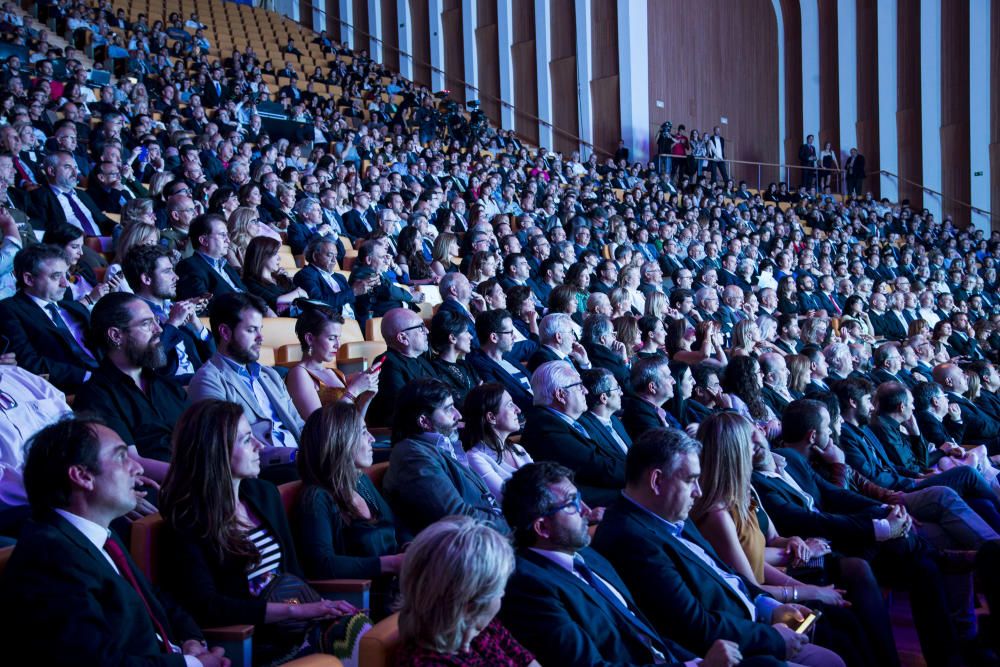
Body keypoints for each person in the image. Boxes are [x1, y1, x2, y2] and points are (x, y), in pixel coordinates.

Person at [592, 428, 845, 667]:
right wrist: (772, 636)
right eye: (691, 480)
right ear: (657, 481)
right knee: (833, 659)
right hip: (727, 647)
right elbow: (694, 626)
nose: (698, 492)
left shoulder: (668, 512)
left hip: (752, 618)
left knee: (839, 629)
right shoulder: (631, 538)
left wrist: (771, 607)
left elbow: (727, 575)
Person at [0, 416, 231, 666]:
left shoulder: (97, 535)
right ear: (82, 475)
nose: (138, 468)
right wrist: (193, 665)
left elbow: (152, 599)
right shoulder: (48, 558)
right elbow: (96, 662)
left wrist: (190, 639)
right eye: (121, 457)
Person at [159, 401, 367, 665]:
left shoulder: (264, 494)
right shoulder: (187, 521)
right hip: (256, 640)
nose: (260, 445)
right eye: (247, 440)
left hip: (296, 623)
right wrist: (296, 611)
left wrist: (315, 606)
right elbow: (207, 606)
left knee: (359, 628)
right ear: (215, 451)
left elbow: (293, 571)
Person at [500, 462, 763, 667]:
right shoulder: (529, 587)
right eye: (571, 505)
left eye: (580, 499)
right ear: (542, 527)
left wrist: (695, 660)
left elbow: (646, 632)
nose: (586, 511)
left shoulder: (588, 556)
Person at [692, 412, 895, 667]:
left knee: (849, 614)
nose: (758, 446)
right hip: (757, 607)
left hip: (774, 586)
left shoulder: (745, 491)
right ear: (736, 453)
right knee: (841, 631)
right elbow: (749, 585)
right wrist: (808, 591)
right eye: (751, 443)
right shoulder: (717, 515)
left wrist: (795, 544)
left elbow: (771, 541)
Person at [294, 402, 404, 615]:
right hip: (363, 601)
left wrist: (408, 548)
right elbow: (322, 565)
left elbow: (395, 527)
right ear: (341, 440)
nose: (372, 439)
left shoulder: (361, 482)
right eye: (363, 432)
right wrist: (390, 564)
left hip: (398, 587)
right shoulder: (316, 497)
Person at [187, 292, 304, 482]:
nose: (261, 338)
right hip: (261, 471)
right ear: (225, 332)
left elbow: (298, 424)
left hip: (300, 458)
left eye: (260, 329)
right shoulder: (208, 380)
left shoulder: (270, 375)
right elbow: (230, 447)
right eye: (251, 330)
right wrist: (293, 456)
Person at [395, 516, 537, 666]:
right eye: (500, 590)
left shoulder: (482, 628)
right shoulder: (426, 663)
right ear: (469, 606)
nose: (503, 594)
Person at [73, 293, 189, 471]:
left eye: (156, 320)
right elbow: (131, 462)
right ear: (116, 335)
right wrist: (198, 478)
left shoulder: (167, 386)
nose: (158, 329)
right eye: (146, 324)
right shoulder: (96, 396)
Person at [382, 378, 508, 535]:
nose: (458, 414)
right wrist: (513, 526)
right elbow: (457, 517)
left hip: (488, 533)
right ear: (424, 421)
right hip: (467, 546)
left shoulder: (443, 445)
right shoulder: (412, 456)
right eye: (449, 409)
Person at [0, 243, 99, 392]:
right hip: (75, 388)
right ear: (29, 279)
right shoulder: (9, 310)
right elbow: (29, 363)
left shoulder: (73, 307)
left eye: (66, 275)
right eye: (56, 276)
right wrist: (88, 376)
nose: (65, 284)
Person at [123, 244, 215, 384]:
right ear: (146, 279)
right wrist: (172, 324)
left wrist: (197, 326)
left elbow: (213, 357)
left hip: (201, 382)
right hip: (173, 390)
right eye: (167, 271)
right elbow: (151, 362)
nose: (176, 277)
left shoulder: (174, 309)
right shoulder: (133, 317)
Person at [285, 306, 378, 419]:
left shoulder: (336, 373)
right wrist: (354, 390)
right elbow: (319, 425)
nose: (338, 345)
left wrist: (366, 397)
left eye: (338, 338)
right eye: (331, 338)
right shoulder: (298, 374)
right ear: (309, 339)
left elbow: (355, 425)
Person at [367, 307, 438, 426]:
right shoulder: (387, 364)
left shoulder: (422, 360)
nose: (427, 331)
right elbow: (404, 409)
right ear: (403, 338)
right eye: (421, 328)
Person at [462, 383, 531, 501]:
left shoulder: (518, 449)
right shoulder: (475, 458)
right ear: (491, 417)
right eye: (510, 405)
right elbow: (508, 499)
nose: (518, 410)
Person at [174, 213, 249, 300]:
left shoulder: (226, 265)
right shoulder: (188, 267)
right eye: (222, 235)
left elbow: (245, 292)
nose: (228, 240)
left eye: (227, 235)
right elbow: (203, 304)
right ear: (204, 240)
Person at [429, 308, 482, 411]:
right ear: (452, 338)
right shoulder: (436, 370)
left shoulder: (465, 365)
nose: (470, 337)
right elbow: (457, 404)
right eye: (466, 332)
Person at [241, 236, 308, 315]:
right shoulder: (250, 283)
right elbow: (275, 303)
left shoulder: (281, 278)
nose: (279, 258)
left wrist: (295, 294)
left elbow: (304, 296)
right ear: (262, 256)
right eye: (275, 254)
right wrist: (297, 292)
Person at [621, 355, 682, 438]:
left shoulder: (654, 409)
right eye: (668, 377)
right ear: (652, 387)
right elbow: (664, 447)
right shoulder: (640, 414)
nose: (674, 381)